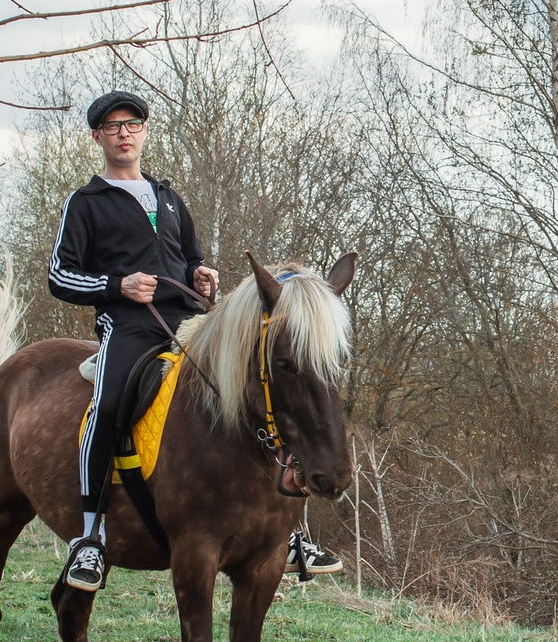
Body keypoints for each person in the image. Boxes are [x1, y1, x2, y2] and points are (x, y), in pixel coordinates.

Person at [44, 91, 341, 590]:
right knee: (110, 401)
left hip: (191, 321)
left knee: (269, 390)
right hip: (130, 326)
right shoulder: (85, 202)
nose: (124, 132)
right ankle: (90, 537)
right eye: (113, 125)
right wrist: (117, 286)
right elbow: (60, 276)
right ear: (98, 137)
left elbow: (191, 259)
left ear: (143, 133)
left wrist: (203, 277)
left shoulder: (168, 197)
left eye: (133, 123)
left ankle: (292, 532)